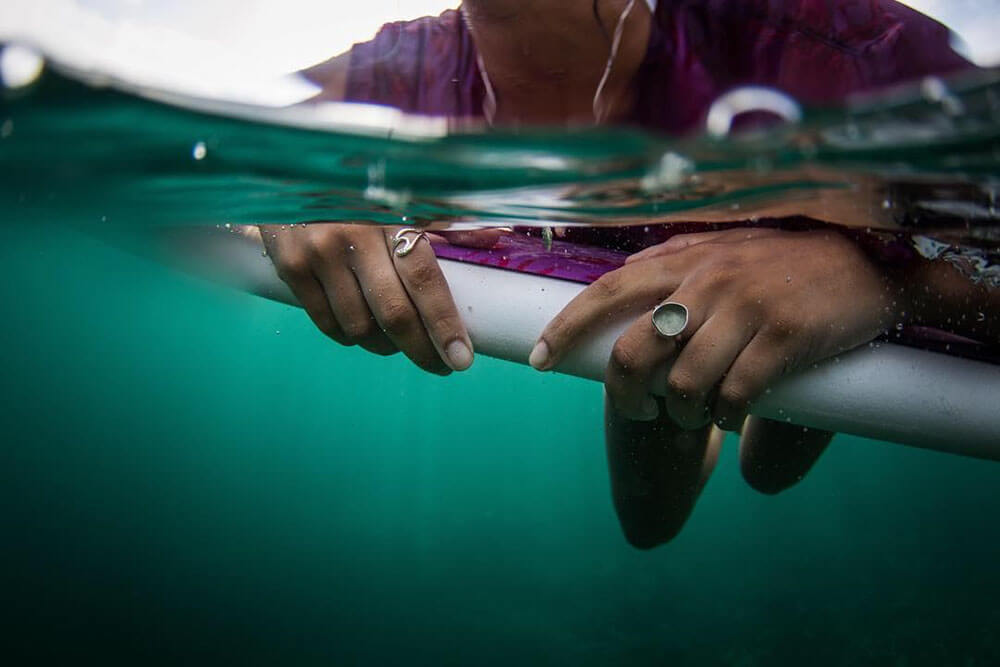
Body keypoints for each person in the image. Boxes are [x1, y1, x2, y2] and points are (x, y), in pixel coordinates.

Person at [261, 0, 997, 549]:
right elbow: (260, 128)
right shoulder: (416, 62)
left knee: (769, 466)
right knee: (649, 519)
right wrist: (294, 187)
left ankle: (827, 262)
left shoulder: (833, 39)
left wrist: (881, 274)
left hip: (830, 229)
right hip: (635, 259)